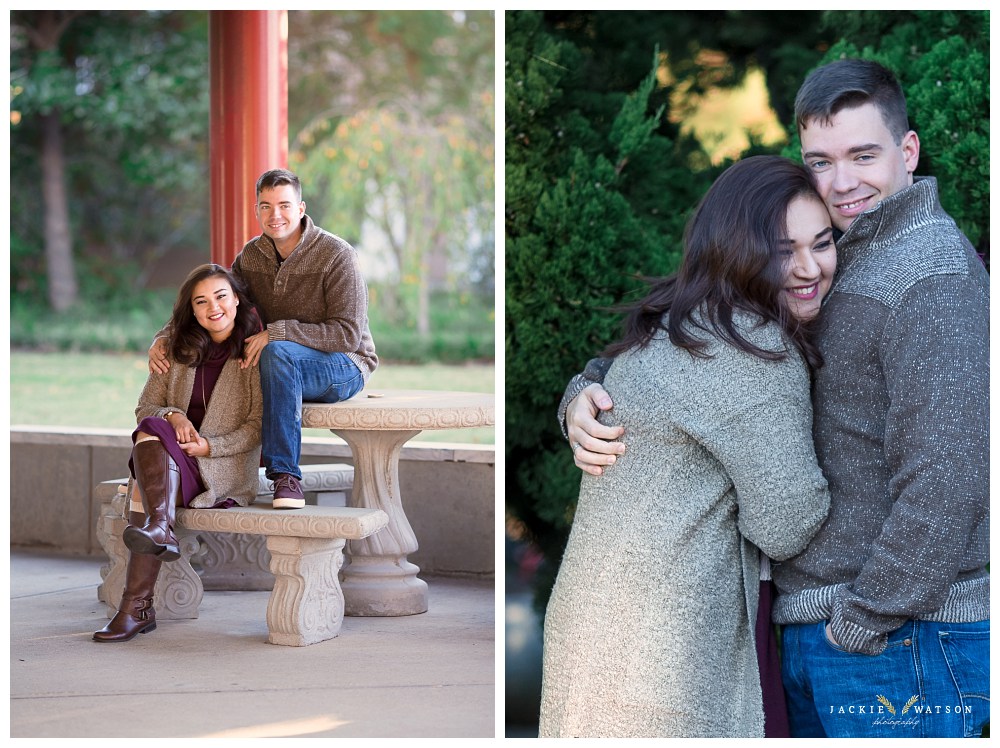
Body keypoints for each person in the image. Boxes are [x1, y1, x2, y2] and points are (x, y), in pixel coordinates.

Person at [559, 59, 989, 739]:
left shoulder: (927, 271)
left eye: (864, 155)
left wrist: (865, 618)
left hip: (900, 638)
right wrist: (585, 391)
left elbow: (949, 475)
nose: (842, 182)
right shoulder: (854, 256)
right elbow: (690, 361)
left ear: (908, 151)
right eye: (822, 160)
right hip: (830, 629)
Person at [539, 156, 833, 738]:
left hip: (597, 639)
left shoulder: (678, 323)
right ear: (738, 251)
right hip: (666, 660)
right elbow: (786, 524)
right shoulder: (753, 350)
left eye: (822, 243)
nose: (808, 268)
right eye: (782, 251)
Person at [149, 169, 378, 509]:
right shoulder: (251, 256)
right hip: (280, 361)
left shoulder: (336, 255)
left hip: (344, 363)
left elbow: (347, 334)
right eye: (266, 206)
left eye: (284, 205)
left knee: (275, 353)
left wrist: (276, 332)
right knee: (255, 357)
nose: (276, 215)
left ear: (301, 208)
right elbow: (218, 298)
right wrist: (166, 336)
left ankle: (285, 475)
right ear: (256, 211)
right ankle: (217, 469)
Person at [94, 264, 263, 642]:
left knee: (145, 482)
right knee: (152, 427)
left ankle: (136, 607)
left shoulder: (253, 354)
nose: (213, 307)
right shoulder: (175, 349)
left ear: (236, 300)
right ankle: (160, 529)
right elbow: (146, 408)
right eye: (201, 301)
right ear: (192, 309)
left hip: (220, 469)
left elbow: (257, 426)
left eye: (221, 296)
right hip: (171, 463)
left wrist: (209, 446)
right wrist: (174, 414)